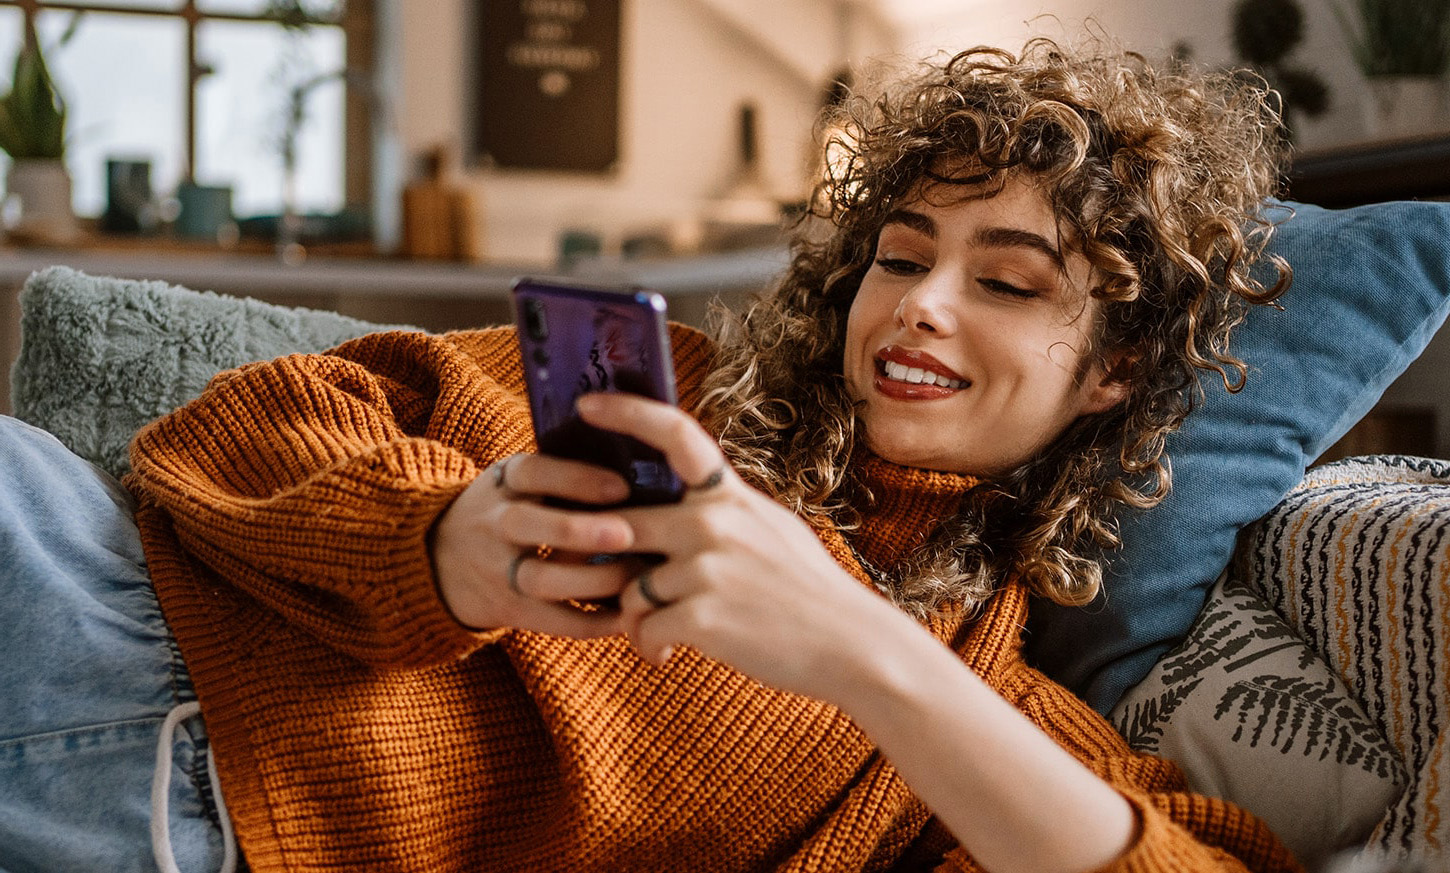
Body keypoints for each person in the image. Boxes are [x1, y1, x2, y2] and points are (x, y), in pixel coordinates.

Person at [0, 38, 1300, 873]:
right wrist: (444, 546)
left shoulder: (980, 722)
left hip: (189, 823)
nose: (920, 304)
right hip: (77, 579)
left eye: (1007, 284)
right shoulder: (668, 391)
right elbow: (245, 417)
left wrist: (861, 648)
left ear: (1113, 368)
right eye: (901, 257)